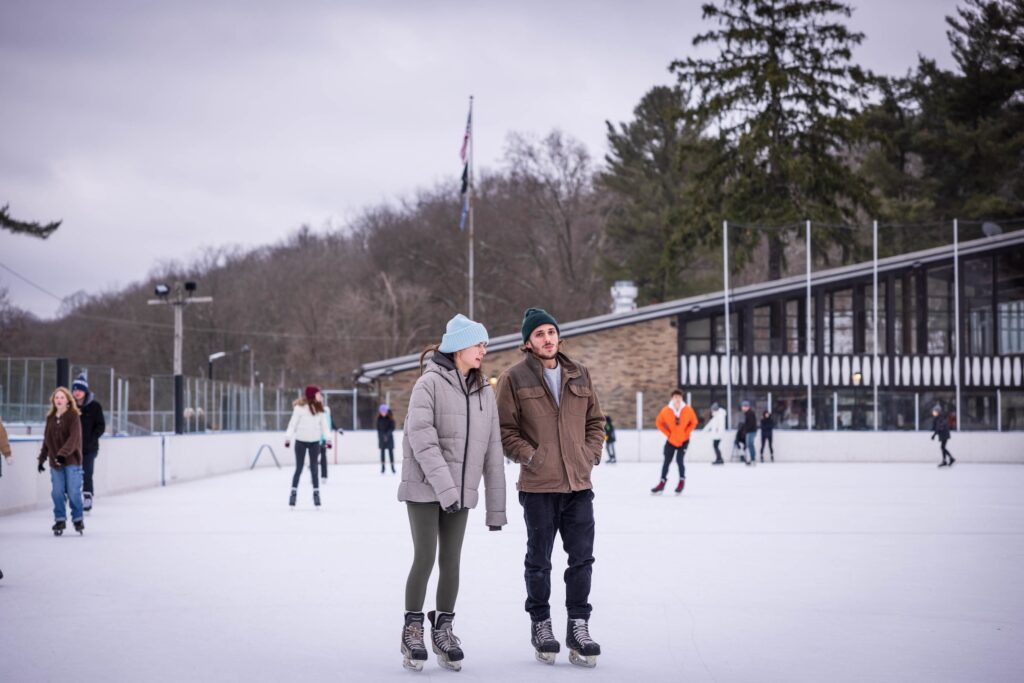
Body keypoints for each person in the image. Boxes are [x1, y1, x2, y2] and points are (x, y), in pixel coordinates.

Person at [496, 307, 605, 668]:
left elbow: (595, 421)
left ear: (559, 337)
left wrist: (589, 454)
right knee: (539, 561)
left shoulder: (579, 373)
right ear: (527, 342)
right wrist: (532, 457)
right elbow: (505, 430)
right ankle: (541, 624)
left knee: (582, 560)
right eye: (539, 333)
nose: (547, 338)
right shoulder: (514, 379)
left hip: (578, 484)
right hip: (539, 486)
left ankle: (578, 625)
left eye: (551, 332)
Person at [398, 314, 507, 672]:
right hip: (425, 487)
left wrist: (495, 509)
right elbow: (422, 439)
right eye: (478, 344)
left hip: (460, 493)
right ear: (458, 346)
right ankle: (412, 628)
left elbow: (493, 450)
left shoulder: (484, 392)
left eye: (484, 345)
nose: (483, 350)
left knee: (452, 560)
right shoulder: (428, 384)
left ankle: (443, 629)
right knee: (426, 556)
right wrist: (445, 488)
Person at [37, 387, 85, 535]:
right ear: (53, 400)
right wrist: (42, 458)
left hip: (71, 461)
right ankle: (60, 519)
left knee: (73, 491)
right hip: (55, 463)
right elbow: (47, 440)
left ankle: (77, 518)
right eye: (56, 397)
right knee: (57, 492)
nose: (59, 400)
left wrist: (63, 454)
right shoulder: (50, 417)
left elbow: (74, 438)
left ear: (68, 400)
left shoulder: (73, 416)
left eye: (62, 397)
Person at [284, 385, 331, 507]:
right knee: (299, 468)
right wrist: (288, 437)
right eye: (317, 394)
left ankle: (316, 494)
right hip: (300, 442)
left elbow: (324, 426)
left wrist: (328, 439)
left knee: (315, 469)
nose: (319, 396)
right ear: (312, 395)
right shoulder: (299, 408)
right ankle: (293, 494)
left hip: (315, 442)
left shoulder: (320, 409)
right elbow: (292, 424)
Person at [651, 389, 698, 494]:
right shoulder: (666, 410)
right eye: (675, 397)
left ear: (682, 398)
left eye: (679, 397)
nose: (677, 399)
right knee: (666, 461)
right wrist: (668, 433)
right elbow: (659, 422)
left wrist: (686, 433)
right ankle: (662, 483)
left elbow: (694, 422)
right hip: (671, 440)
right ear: (672, 398)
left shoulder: (688, 410)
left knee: (679, 461)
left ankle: (681, 481)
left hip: (684, 440)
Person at [71, 373, 105, 512]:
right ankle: (72, 496)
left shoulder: (95, 406)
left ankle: (87, 497)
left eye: (80, 389)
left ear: (85, 391)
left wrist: (92, 439)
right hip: (72, 448)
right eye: (75, 390)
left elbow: (100, 426)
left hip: (89, 448)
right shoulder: (69, 407)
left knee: (87, 473)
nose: (77, 392)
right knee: (72, 473)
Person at [377, 404, 396, 474]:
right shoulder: (379, 419)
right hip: (382, 438)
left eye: (384, 411)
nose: (383, 413)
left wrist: (387, 435)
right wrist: (381, 437)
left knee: (391, 453)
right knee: (382, 453)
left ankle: (392, 467)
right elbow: (378, 429)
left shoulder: (391, 419)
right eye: (381, 412)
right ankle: (383, 467)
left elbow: (392, 428)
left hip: (389, 438)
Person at [737, 400, 757, 466]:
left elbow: (750, 423)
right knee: (749, 445)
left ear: (746, 407)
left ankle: (753, 459)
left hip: (751, 431)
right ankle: (751, 459)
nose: (742, 408)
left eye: (743, 407)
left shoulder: (750, 413)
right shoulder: (747, 413)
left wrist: (745, 430)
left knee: (750, 445)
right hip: (750, 431)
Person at [319, 398, 333, 480]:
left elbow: (330, 422)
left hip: (325, 438)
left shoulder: (326, 410)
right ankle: (313, 474)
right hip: (315, 438)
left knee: (323, 456)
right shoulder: (314, 411)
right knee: (314, 457)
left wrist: (337, 429)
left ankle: (324, 475)